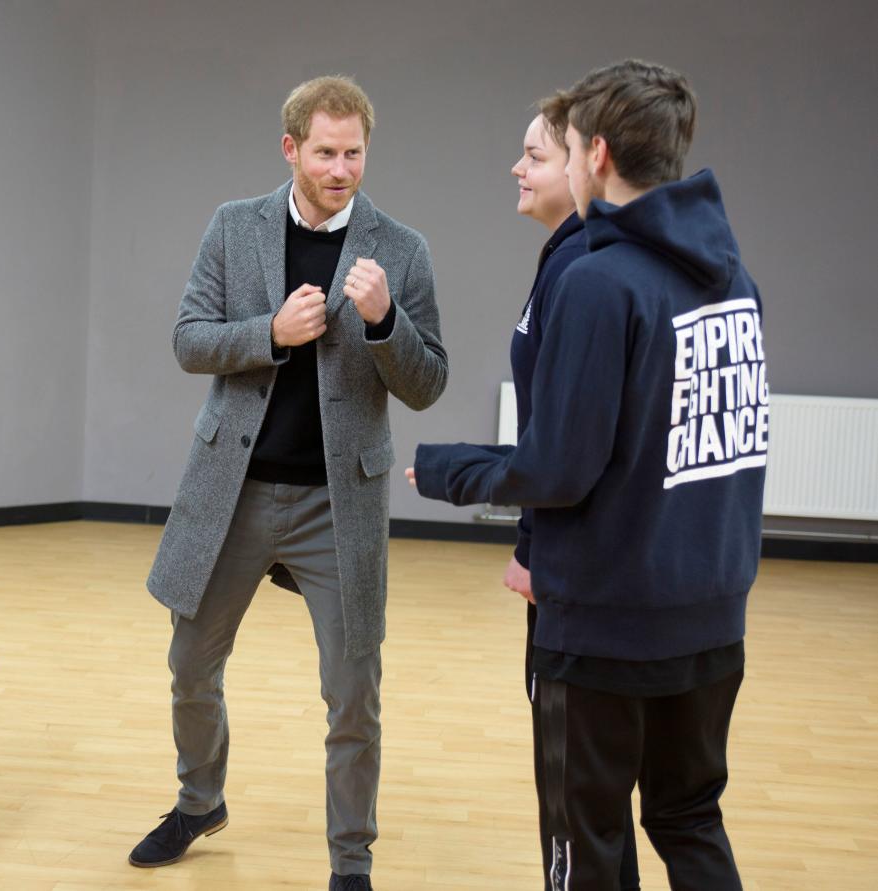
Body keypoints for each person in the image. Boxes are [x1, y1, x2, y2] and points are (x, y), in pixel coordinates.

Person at [410, 59, 766, 891]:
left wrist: (441, 468)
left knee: (586, 840)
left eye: (561, 147)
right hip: (713, 621)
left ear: (595, 155)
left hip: (606, 629)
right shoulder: (733, 277)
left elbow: (558, 468)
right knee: (688, 819)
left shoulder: (601, 282)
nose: (555, 163)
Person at [131, 76, 448, 891]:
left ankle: (351, 860)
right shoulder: (234, 227)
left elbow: (427, 382)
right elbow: (187, 339)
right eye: (325, 153)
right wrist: (267, 333)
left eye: (354, 153)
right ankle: (199, 799)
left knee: (352, 692)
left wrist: (384, 324)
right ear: (290, 149)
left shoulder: (399, 248)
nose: (341, 169)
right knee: (190, 664)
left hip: (335, 505)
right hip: (231, 492)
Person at [508, 114, 640, 890]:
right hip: (567, 557)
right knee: (585, 793)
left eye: (533, 155)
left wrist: (531, 544)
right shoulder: (561, 258)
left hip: (574, 574)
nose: (516, 168)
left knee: (574, 790)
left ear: (584, 163)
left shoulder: (582, 267)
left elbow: (566, 438)